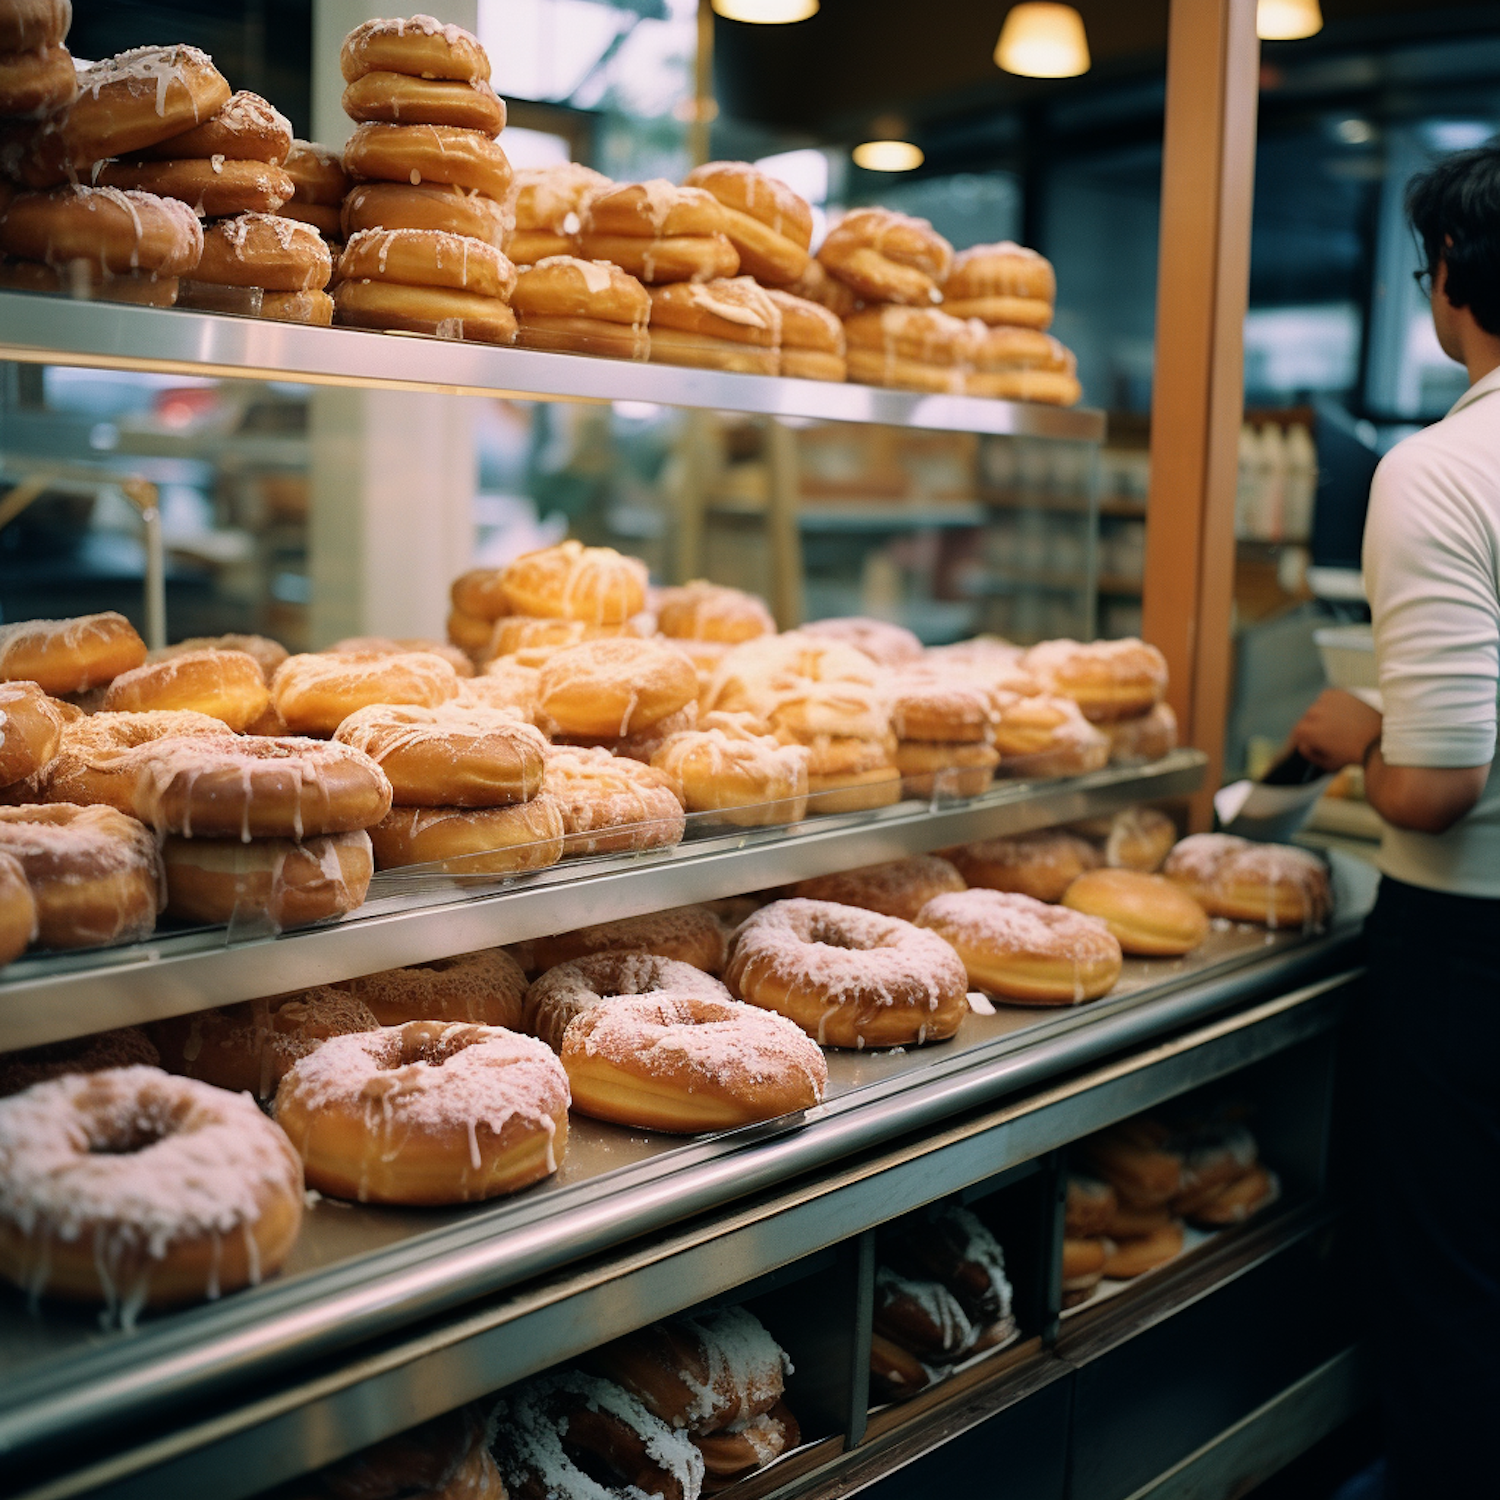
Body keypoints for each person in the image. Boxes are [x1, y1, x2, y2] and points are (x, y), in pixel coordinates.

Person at [1290, 141, 1499, 1497]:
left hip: (1476, 955)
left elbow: (1440, 783)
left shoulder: (1439, 470)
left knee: (1461, 1295)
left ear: (1452, 286)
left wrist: (1360, 740)